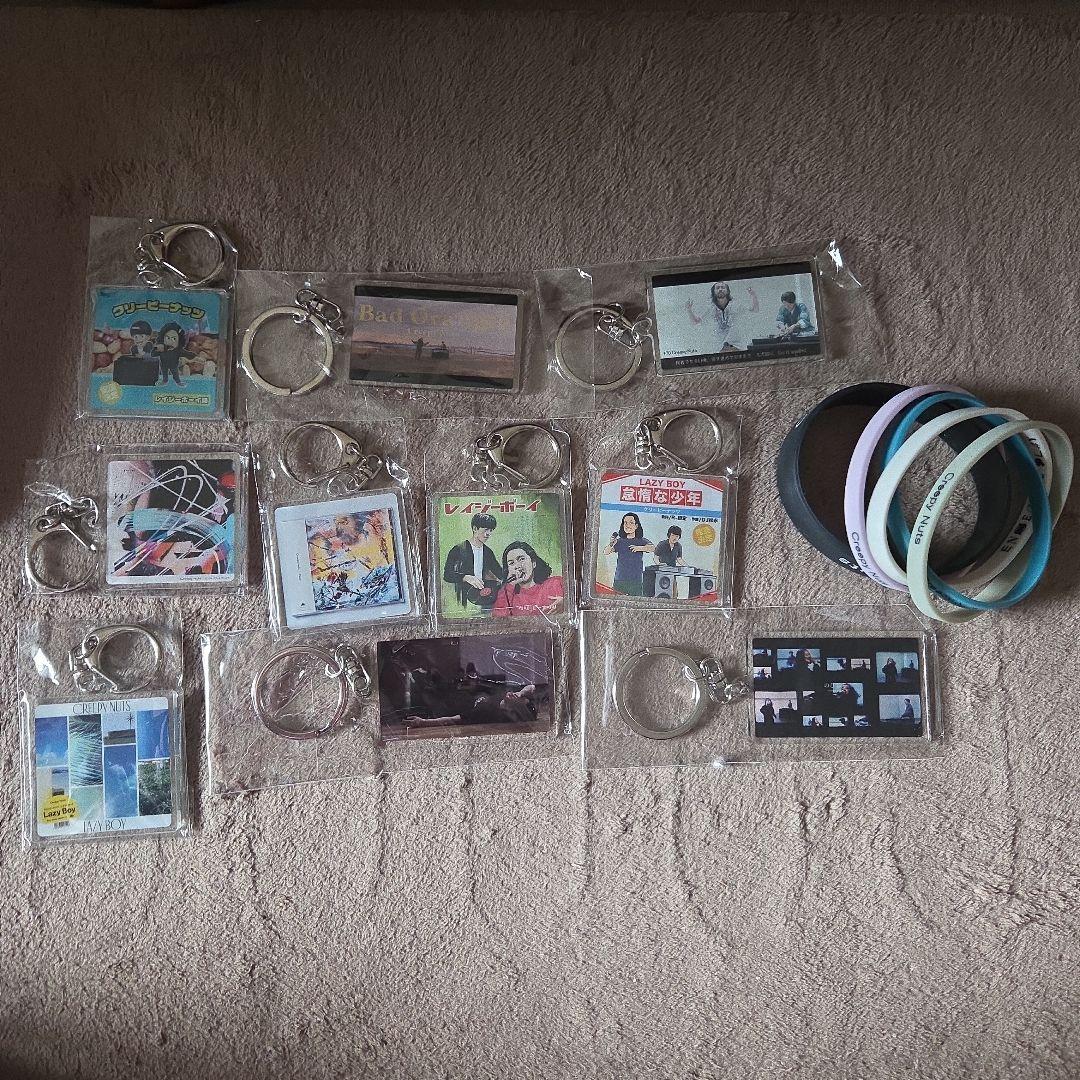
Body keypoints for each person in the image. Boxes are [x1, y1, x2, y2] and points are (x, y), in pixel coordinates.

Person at [443, 513, 502, 611]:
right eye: (485, 529)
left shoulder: (488, 552)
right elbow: (447, 575)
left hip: (483, 601)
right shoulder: (458, 549)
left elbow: (499, 572)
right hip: (462, 602)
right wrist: (465, 577)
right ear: (475, 528)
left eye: (491, 530)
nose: (488, 533)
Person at [491, 541, 564, 617]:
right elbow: (498, 618)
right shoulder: (507, 594)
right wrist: (510, 586)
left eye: (521, 559)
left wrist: (566, 603)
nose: (517, 566)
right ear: (508, 570)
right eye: (511, 563)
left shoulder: (554, 583)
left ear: (533, 563)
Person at [685, 281, 759, 351]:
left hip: (736, 345)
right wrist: (689, 310)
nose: (720, 289)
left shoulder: (736, 305)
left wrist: (753, 295)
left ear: (727, 291)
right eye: (717, 288)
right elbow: (695, 322)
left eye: (723, 287)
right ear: (714, 292)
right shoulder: (709, 308)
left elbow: (754, 309)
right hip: (718, 347)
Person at [602, 512, 653, 596]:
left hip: (636, 580)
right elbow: (606, 552)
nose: (627, 525)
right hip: (620, 579)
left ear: (636, 526)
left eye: (631, 523)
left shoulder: (641, 540)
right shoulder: (619, 541)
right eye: (625, 523)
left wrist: (639, 548)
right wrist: (611, 544)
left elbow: (653, 548)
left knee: (636, 601)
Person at [154, 322, 188, 387]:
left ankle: (178, 382)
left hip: (174, 364)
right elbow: (153, 354)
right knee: (164, 373)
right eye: (167, 338)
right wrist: (156, 348)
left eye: (174, 338)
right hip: (164, 364)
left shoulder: (178, 349)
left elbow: (187, 354)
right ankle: (165, 381)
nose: (170, 341)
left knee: (175, 373)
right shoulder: (162, 348)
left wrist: (195, 357)